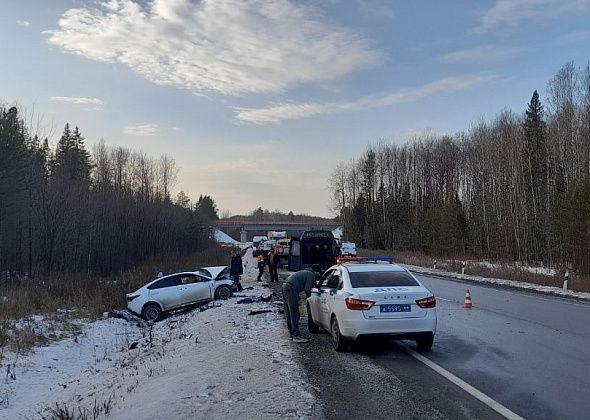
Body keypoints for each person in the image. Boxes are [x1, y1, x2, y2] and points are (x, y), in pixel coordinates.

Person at [281, 264, 322, 343]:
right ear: (316, 272)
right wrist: (311, 297)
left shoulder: (306, 272)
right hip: (290, 289)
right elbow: (307, 289)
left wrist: (298, 298)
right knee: (294, 313)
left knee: (289, 312)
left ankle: (292, 333)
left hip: (285, 287)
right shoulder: (311, 275)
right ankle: (296, 335)